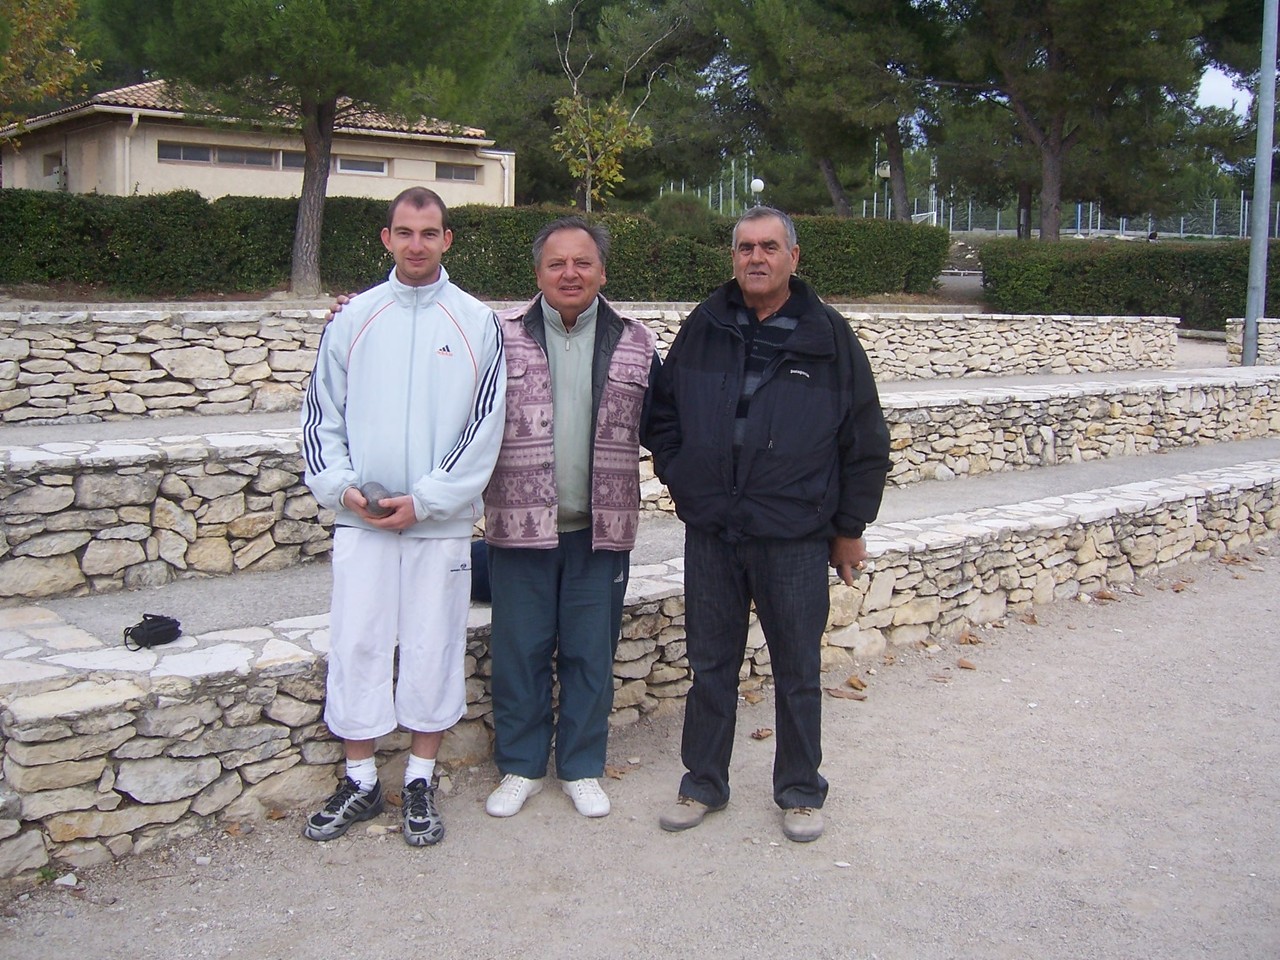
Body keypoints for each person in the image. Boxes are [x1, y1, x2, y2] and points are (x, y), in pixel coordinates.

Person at [646, 206, 890, 842]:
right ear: (733, 257)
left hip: (793, 538)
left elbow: (863, 440)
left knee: (797, 670)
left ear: (793, 258)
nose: (756, 258)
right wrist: (684, 476)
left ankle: (801, 788)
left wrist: (849, 526)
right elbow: (663, 414)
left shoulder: (828, 336)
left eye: (769, 248)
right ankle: (702, 782)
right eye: (745, 248)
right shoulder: (705, 325)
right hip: (714, 533)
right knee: (712, 666)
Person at [300, 186, 506, 846]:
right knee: (358, 642)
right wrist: (340, 488)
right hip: (362, 521)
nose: (416, 243)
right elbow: (321, 417)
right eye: (404, 232)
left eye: (430, 232)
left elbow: (485, 429)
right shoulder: (352, 318)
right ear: (386, 238)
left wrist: (429, 500)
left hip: (437, 527)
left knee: (432, 647)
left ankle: (419, 777)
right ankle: (359, 781)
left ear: (448, 240)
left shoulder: (477, 323)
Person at [482, 216, 660, 820]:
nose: (570, 273)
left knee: (590, 654)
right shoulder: (497, 335)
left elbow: (667, 425)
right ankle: (522, 766)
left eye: (582, 262)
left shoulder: (636, 340)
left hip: (601, 532)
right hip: (518, 527)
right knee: (520, 652)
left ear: (602, 271)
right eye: (556, 263)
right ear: (537, 273)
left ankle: (582, 766)